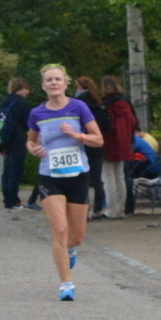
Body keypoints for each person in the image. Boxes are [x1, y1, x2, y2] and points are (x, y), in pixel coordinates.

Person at [26, 64, 103, 301]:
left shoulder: (78, 107)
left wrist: (77, 135)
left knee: (76, 237)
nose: (53, 83)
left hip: (77, 176)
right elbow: (30, 141)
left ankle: (70, 249)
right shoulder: (37, 113)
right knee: (59, 230)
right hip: (50, 177)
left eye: (57, 79)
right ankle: (66, 284)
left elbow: (98, 140)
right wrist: (33, 150)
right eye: (49, 80)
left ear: (65, 83)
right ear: (43, 86)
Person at [96, 76, 138, 219]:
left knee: (108, 177)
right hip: (124, 143)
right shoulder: (125, 103)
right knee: (120, 176)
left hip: (109, 143)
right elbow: (133, 123)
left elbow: (103, 125)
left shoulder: (106, 105)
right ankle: (121, 209)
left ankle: (111, 209)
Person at [0, 78, 33, 210]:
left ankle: (7, 199)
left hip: (5, 140)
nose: (27, 92)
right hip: (18, 140)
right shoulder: (22, 103)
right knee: (15, 171)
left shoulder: (4, 101)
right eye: (26, 89)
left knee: (7, 171)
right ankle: (14, 201)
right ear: (21, 88)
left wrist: (0, 144)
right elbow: (27, 123)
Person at [72, 76, 107, 219]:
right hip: (96, 145)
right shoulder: (98, 102)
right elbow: (106, 125)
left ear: (79, 87)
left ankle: (82, 209)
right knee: (97, 178)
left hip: (81, 143)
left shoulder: (77, 104)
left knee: (82, 179)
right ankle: (98, 207)